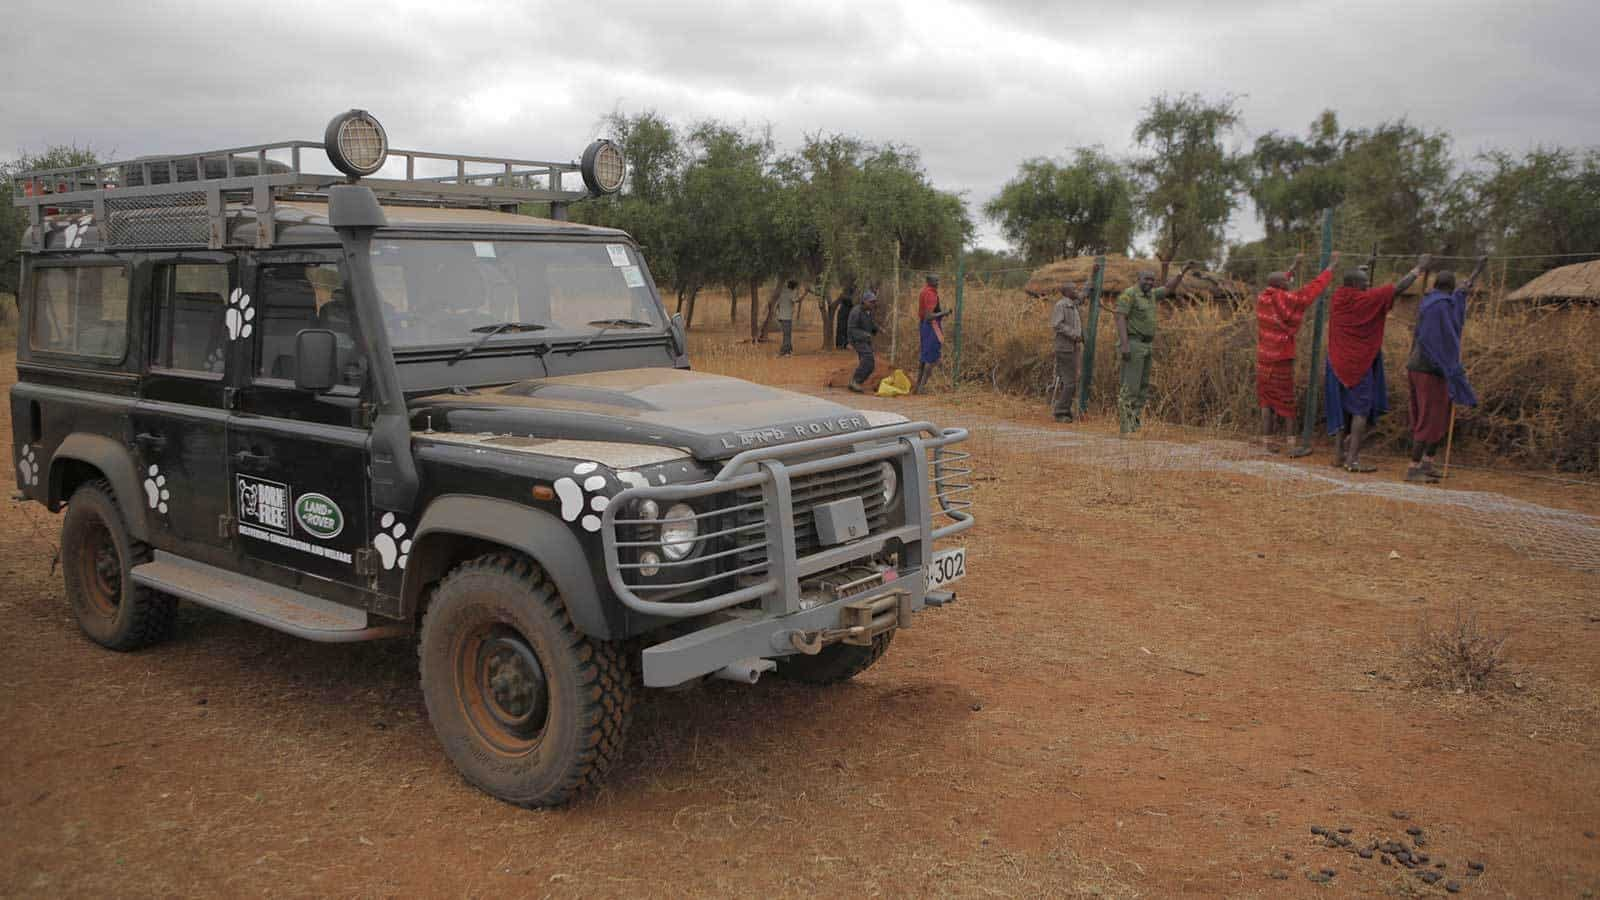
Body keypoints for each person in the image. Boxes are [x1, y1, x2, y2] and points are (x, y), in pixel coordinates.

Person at [1325, 253, 1430, 472]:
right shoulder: (1366, 299)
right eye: (1364, 284)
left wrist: (1364, 267)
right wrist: (1417, 269)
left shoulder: (1338, 297)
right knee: (1361, 412)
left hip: (1336, 363)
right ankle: (1352, 461)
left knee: (1342, 410)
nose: (1367, 286)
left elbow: (1354, 279)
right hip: (1358, 364)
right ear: (1355, 285)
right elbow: (1397, 289)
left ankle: (1338, 455)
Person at [1404, 256, 1487, 483]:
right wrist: (1447, 363)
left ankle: (1428, 463)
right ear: (1449, 288)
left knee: (1440, 416)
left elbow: (1463, 290)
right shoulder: (1437, 306)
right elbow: (1434, 339)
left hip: (1433, 368)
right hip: (1428, 368)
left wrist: (1477, 269)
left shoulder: (1440, 302)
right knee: (1428, 418)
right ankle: (1413, 469)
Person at [1255, 250, 1339, 455]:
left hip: (1262, 359)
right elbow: (1310, 291)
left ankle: (1267, 444)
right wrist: (1331, 268)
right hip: (1281, 358)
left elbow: (1279, 281)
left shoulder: (1263, 297)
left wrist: (1294, 266)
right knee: (1286, 401)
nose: (1290, 283)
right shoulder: (1287, 299)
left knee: (1266, 401)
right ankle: (1292, 445)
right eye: (1287, 281)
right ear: (1282, 285)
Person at [1114, 261, 1196, 434]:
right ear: (1139, 279)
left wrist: (1182, 272)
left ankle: (1134, 424)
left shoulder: (1151, 295)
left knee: (1143, 388)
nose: (1150, 283)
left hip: (1147, 345)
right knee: (1131, 387)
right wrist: (1125, 345)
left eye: (1152, 280)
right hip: (1133, 344)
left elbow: (1168, 288)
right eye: (1146, 279)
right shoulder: (1129, 295)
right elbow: (1120, 318)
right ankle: (1125, 428)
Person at [1049, 281, 1085, 422]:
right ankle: (1060, 412)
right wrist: (1074, 334)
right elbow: (1057, 324)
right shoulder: (1061, 305)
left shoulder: (1073, 304)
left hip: (1073, 347)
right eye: (1074, 289)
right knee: (1070, 382)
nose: (1076, 291)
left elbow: (1084, 294)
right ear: (1066, 292)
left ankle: (1066, 411)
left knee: (1070, 380)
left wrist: (1093, 276)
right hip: (1065, 348)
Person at [913, 274, 947, 394]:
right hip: (931, 325)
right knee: (931, 358)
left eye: (938, 280)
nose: (938, 282)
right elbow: (929, 316)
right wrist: (944, 312)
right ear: (928, 281)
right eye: (935, 280)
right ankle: (921, 388)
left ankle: (917, 386)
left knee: (925, 356)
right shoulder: (930, 294)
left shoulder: (924, 291)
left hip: (924, 326)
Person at [846, 290, 879, 393]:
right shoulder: (856, 312)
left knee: (868, 363)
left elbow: (870, 324)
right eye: (871, 302)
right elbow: (852, 329)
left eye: (874, 301)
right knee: (868, 361)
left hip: (864, 340)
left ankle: (856, 382)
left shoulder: (867, 311)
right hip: (858, 340)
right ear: (864, 301)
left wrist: (877, 329)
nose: (873, 304)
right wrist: (865, 335)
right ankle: (855, 381)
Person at [774, 279, 799, 356]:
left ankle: (789, 349)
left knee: (786, 334)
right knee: (787, 335)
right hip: (787, 317)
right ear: (794, 287)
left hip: (781, 317)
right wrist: (803, 294)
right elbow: (796, 300)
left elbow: (777, 305)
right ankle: (785, 351)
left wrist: (778, 314)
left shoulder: (783, 293)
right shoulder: (791, 293)